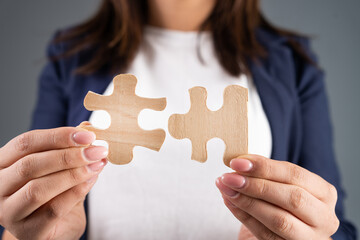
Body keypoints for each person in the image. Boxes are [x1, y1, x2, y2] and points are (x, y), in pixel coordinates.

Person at [0, 0, 357, 239]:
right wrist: (28, 232)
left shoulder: (292, 64)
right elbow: (29, 216)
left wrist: (309, 232)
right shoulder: (70, 54)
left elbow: (334, 224)